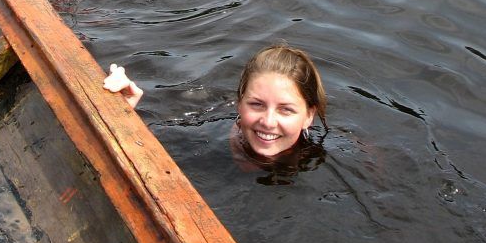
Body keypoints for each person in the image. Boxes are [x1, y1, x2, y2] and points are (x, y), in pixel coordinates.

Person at [103, 44, 327, 161]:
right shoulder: (201, 137)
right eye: (256, 104)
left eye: (285, 110)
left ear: (309, 116)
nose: (268, 122)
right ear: (239, 103)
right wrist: (124, 112)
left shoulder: (321, 154)